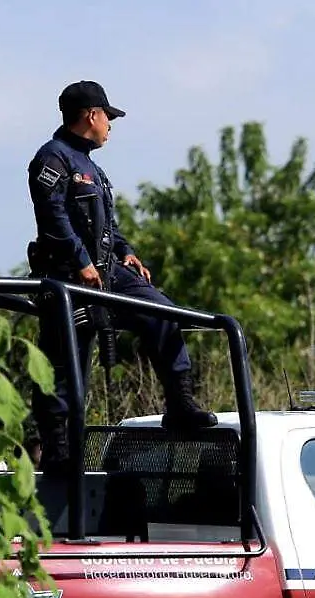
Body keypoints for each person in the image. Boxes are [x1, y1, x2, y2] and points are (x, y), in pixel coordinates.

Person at [25, 80, 218, 475]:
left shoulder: (91, 167)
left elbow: (106, 224)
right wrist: (80, 261)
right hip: (68, 277)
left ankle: (180, 405)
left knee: (162, 311)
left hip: (107, 271)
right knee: (65, 367)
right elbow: (53, 219)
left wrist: (126, 252)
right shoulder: (52, 159)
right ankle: (58, 455)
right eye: (108, 118)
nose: (110, 126)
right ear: (92, 116)